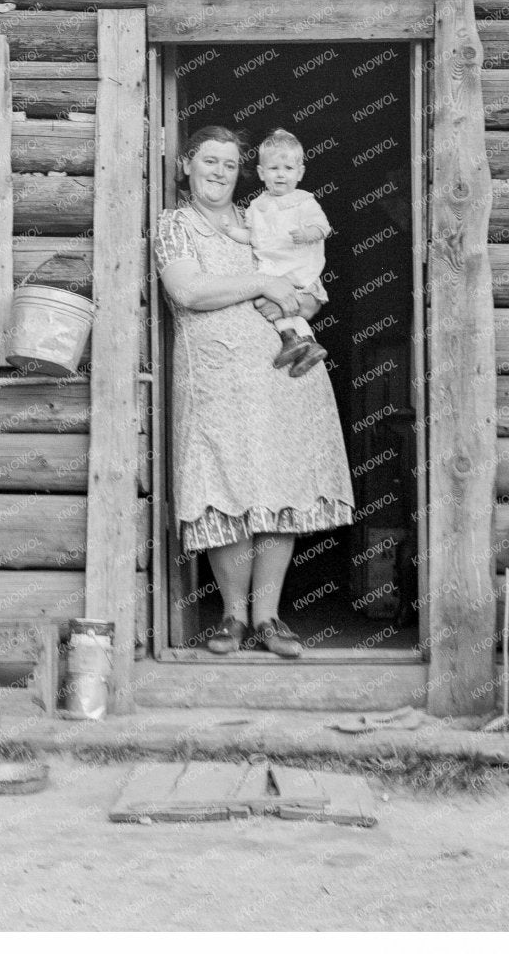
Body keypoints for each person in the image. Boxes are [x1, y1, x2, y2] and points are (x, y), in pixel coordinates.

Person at [153, 125, 355, 659]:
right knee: (225, 488)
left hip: (282, 373)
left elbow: (306, 276)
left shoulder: (259, 215)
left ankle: (268, 617)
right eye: (209, 161)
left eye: (229, 164)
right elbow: (188, 290)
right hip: (217, 378)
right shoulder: (175, 225)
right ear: (186, 165)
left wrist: (306, 303)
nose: (219, 172)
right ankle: (231, 616)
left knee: (278, 488)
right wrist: (264, 285)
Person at [243, 128, 330, 377]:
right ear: (261, 173)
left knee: (279, 304)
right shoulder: (257, 206)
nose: (281, 175)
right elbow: (250, 235)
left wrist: (308, 233)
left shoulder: (303, 201)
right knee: (265, 302)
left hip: (300, 271)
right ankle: (302, 343)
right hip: (276, 271)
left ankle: (298, 341)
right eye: (273, 169)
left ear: (300, 172)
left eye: (288, 169)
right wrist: (229, 231)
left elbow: (323, 227)